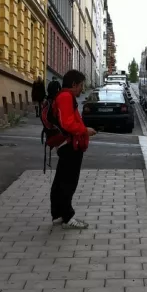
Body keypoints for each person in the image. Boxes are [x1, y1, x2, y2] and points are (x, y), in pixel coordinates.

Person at [50, 70, 96, 229]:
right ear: (74, 84)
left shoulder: (64, 96)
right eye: (81, 86)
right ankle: (68, 217)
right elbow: (68, 124)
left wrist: (84, 129)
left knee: (61, 180)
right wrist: (85, 131)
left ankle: (58, 214)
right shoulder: (65, 97)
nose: (82, 90)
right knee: (68, 182)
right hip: (69, 145)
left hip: (67, 144)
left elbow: (69, 121)